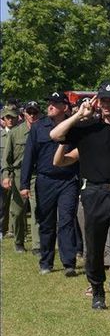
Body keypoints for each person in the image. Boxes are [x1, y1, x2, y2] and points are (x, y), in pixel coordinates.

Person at [50, 81, 110, 317]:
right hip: (94, 193)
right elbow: (56, 134)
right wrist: (79, 115)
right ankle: (98, 289)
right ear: (97, 102)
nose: (106, 104)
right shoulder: (87, 128)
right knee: (94, 247)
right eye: (102, 100)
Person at [21, 92, 79, 276]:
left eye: (55, 103)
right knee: (46, 221)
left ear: (65, 107)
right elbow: (29, 156)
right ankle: (46, 262)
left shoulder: (74, 125)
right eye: (49, 103)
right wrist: (24, 183)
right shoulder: (39, 127)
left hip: (68, 180)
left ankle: (69, 262)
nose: (50, 106)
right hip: (45, 180)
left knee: (66, 220)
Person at [2, 102, 41, 254]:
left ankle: (37, 246)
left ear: (39, 114)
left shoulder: (43, 132)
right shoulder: (15, 133)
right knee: (17, 212)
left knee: (37, 209)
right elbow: (7, 158)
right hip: (18, 175)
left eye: (35, 112)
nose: (32, 115)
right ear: (24, 114)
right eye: (29, 112)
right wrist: (6, 176)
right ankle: (19, 241)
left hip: (36, 175)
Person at [1, 106, 19, 238]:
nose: (10, 120)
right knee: (2, 203)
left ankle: (14, 229)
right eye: (8, 118)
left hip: (18, 173)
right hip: (3, 173)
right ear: (3, 119)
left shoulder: (21, 133)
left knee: (18, 204)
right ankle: (2, 228)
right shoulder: (1, 136)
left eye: (13, 117)